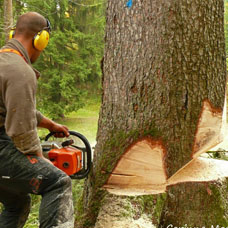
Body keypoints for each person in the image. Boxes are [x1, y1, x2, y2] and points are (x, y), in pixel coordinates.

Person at [0, 12, 74, 228]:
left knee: (17, 203)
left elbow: (16, 108)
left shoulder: (4, 62)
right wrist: (40, 161)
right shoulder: (20, 70)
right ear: (41, 39)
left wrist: (50, 125)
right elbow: (22, 132)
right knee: (58, 182)